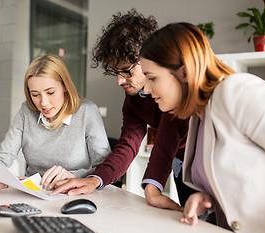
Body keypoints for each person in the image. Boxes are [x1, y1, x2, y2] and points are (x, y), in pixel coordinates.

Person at [140, 22, 265, 233]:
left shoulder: (236, 91)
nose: (146, 89)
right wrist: (207, 197)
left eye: (152, 78)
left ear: (183, 72)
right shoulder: (198, 118)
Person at [51, 9, 195, 211]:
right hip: (181, 165)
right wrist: (95, 180)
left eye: (126, 71)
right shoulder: (133, 100)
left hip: (204, 161)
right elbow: (128, 145)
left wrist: (152, 187)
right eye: (115, 73)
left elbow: (168, 135)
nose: (119, 81)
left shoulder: (178, 90)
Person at [0, 54, 111, 192]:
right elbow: (4, 155)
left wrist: (74, 176)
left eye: (50, 92)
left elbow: (105, 167)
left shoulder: (87, 111)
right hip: (34, 193)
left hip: (75, 194)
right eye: (35, 94)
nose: (43, 103)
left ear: (65, 86)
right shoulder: (26, 111)